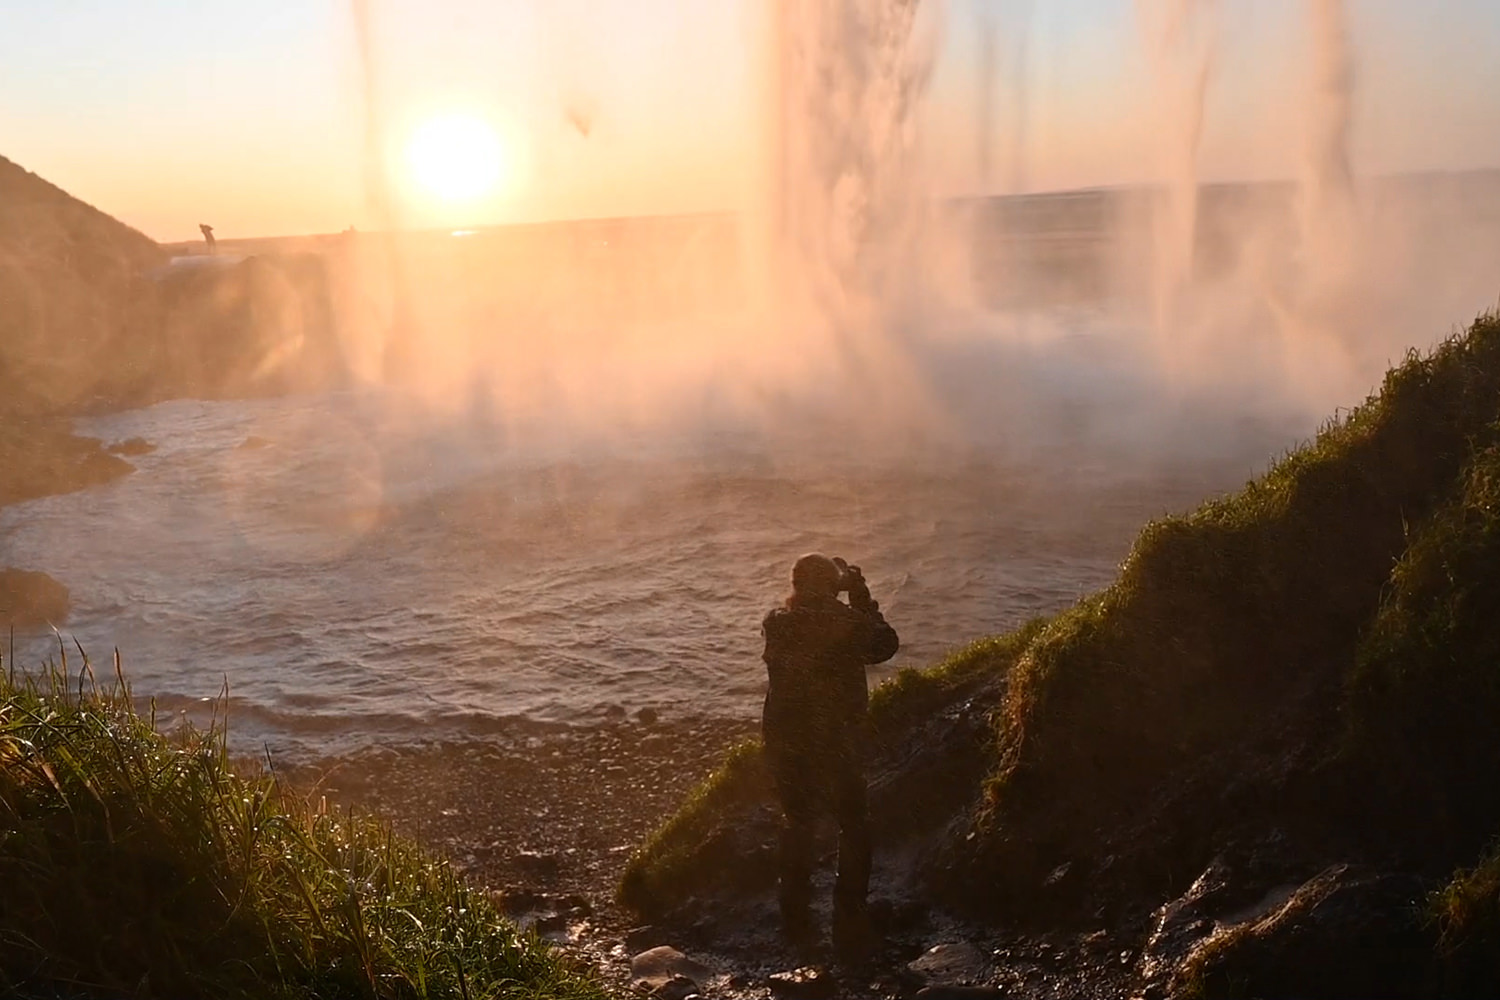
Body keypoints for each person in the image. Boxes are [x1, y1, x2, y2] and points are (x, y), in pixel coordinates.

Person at [761, 553, 899, 958]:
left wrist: (837, 588)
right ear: (829, 586)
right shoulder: (848, 622)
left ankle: (795, 915)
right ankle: (849, 916)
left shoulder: (777, 623)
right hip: (837, 740)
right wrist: (860, 595)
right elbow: (885, 644)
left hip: (787, 740)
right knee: (853, 824)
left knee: (798, 822)